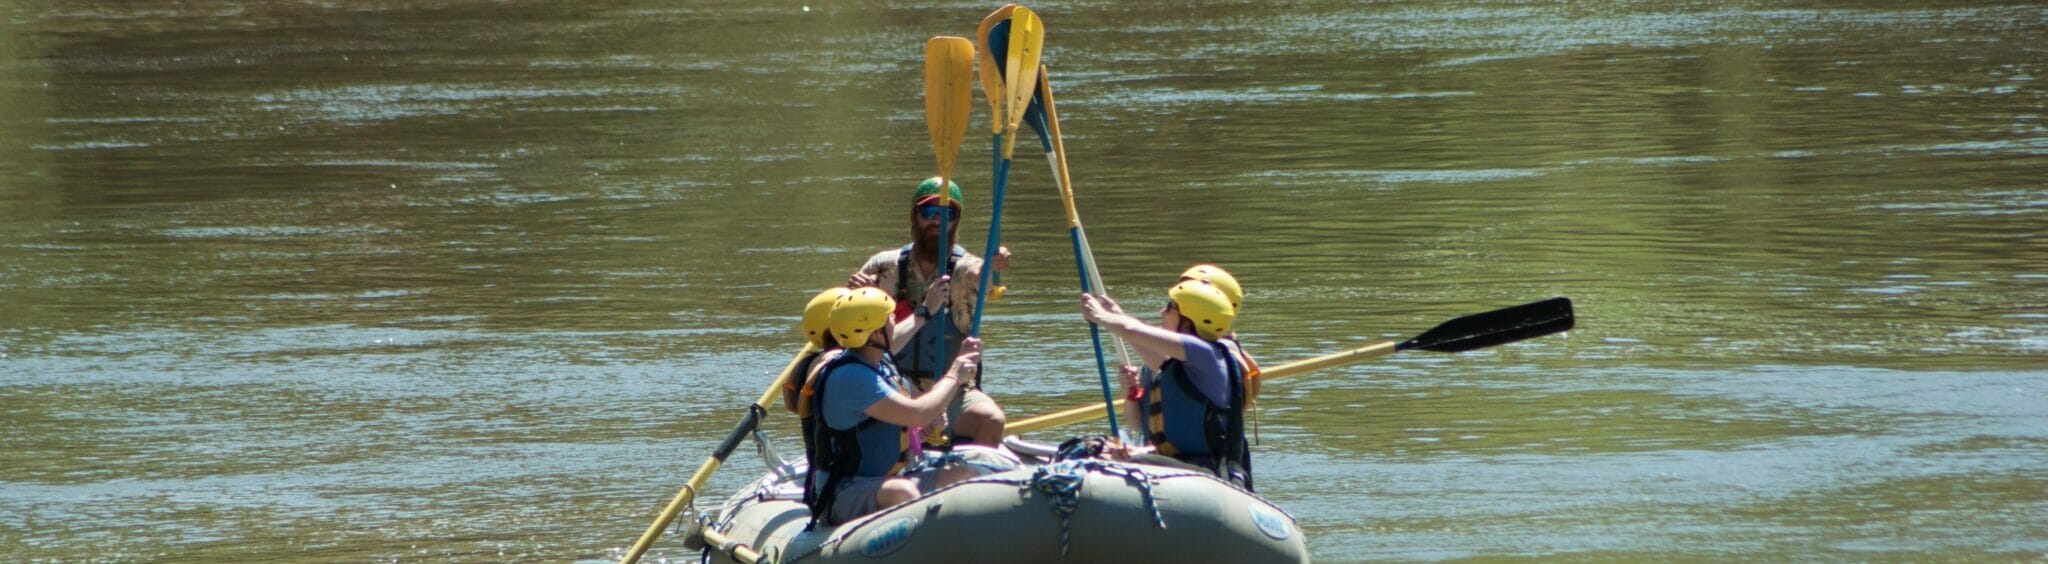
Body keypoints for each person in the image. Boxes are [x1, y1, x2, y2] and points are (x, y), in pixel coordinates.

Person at [846, 177, 1010, 447]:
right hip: (892, 384)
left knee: (990, 419)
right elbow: (847, 325)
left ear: (957, 220)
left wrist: (994, 264)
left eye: (947, 214)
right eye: (928, 212)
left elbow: (982, 277)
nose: (937, 221)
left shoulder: (964, 268)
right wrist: (854, 292)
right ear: (914, 216)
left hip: (951, 389)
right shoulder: (885, 265)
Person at [802, 287, 981, 527]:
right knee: (902, 492)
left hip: (889, 477)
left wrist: (927, 423)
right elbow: (917, 413)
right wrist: (954, 375)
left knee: (965, 474)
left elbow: (917, 414)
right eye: (890, 317)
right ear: (876, 333)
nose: (895, 319)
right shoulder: (850, 377)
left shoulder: (880, 361)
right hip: (843, 491)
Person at [1080, 275, 1255, 490]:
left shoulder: (1205, 354)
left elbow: (1131, 330)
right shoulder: (1178, 364)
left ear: (1189, 319)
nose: (1162, 312)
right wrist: (1116, 315)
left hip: (1205, 477)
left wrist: (1100, 316)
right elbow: (1137, 423)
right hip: (1175, 467)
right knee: (1090, 449)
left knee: (1117, 464)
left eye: (1170, 307)